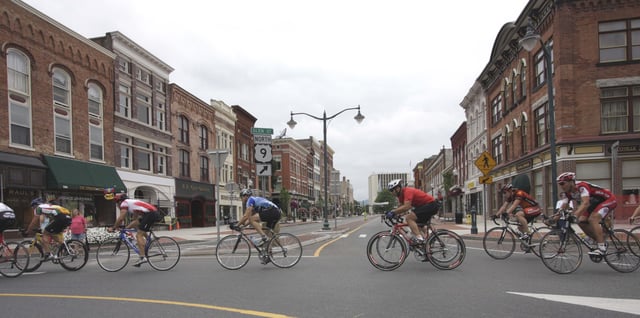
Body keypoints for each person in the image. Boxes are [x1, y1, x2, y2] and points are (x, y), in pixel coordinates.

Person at [556, 172, 617, 256]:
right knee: (581, 221)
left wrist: (575, 215)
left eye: (563, 183)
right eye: (560, 184)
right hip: (594, 203)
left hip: (608, 199)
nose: (561, 186)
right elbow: (563, 206)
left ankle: (602, 247)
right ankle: (600, 240)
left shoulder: (581, 186)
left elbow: (585, 203)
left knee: (593, 219)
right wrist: (553, 218)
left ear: (571, 182)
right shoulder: (567, 192)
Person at [110, 193, 160, 267]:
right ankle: (149, 240)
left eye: (116, 203)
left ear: (119, 201)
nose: (117, 205)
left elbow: (121, 218)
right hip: (150, 213)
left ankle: (142, 257)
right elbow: (135, 220)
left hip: (150, 214)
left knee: (139, 234)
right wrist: (126, 228)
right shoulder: (132, 203)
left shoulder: (124, 203)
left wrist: (113, 227)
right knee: (139, 226)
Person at [385, 179, 439, 245]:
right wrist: (395, 214)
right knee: (416, 224)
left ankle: (419, 238)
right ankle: (428, 240)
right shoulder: (400, 196)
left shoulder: (407, 191)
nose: (391, 193)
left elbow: (407, 206)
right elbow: (401, 208)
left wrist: (393, 212)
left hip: (430, 204)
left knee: (409, 218)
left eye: (392, 190)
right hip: (425, 206)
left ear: (397, 188)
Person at [237, 189, 282, 263]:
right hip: (276, 212)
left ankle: (263, 236)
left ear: (245, 196)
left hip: (272, 211)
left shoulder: (250, 200)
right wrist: (243, 226)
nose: (241, 199)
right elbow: (249, 218)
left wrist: (237, 225)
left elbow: (246, 216)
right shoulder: (255, 200)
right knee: (268, 235)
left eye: (241, 197)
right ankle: (269, 256)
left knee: (263, 235)